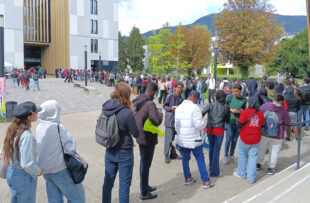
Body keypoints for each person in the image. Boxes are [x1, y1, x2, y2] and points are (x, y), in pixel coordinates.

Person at [36, 100, 86, 203]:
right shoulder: (58, 127)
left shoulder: (39, 127)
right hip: (60, 169)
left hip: (46, 170)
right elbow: (70, 147)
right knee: (77, 197)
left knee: (54, 199)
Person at [101, 82, 140, 203]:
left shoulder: (106, 107)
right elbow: (136, 133)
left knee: (108, 182)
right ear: (126, 94)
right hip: (124, 151)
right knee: (124, 185)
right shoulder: (127, 113)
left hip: (110, 149)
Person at [3, 101, 43, 203]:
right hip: (23, 177)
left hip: (12, 172)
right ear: (29, 116)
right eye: (35, 112)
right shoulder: (26, 136)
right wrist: (38, 171)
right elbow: (26, 164)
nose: (37, 114)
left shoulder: (14, 129)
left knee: (16, 199)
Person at [175, 91, 215, 189]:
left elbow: (176, 125)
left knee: (185, 158)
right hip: (194, 140)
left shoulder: (179, 107)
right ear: (196, 98)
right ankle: (205, 181)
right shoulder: (195, 108)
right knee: (200, 159)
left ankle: (187, 178)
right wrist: (205, 121)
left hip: (182, 139)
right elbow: (199, 125)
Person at [133, 82, 163, 200]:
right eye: (155, 93)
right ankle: (144, 192)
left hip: (140, 136)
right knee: (145, 165)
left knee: (144, 164)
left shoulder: (139, 99)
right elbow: (156, 120)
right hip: (147, 138)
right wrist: (160, 113)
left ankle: (145, 186)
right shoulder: (150, 103)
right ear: (152, 92)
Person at [234, 97, 265, 184]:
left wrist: (237, 122)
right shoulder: (260, 113)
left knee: (242, 155)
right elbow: (263, 124)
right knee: (253, 158)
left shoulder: (245, 112)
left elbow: (239, 124)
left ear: (249, 103)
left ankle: (242, 173)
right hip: (256, 139)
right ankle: (251, 178)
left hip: (245, 138)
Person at [257, 94, 290, 175]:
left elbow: (258, 116)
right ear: (281, 101)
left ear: (273, 99)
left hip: (264, 132)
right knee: (274, 151)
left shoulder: (264, 106)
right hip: (278, 133)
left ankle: (258, 164)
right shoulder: (283, 110)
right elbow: (287, 121)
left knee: (261, 148)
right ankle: (271, 168)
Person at [202, 90, 230, 177]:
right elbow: (228, 120)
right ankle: (214, 172)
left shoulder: (211, 105)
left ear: (216, 97)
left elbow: (202, 113)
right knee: (216, 151)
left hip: (210, 128)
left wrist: (203, 123)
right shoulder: (226, 107)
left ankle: (211, 166)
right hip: (219, 130)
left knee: (211, 148)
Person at [224, 84, 247, 164]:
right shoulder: (229, 97)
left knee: (235, 140)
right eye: (234, 91)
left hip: (238, 123)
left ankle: (232, 155)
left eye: (237, 91)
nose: (235, 93)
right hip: (229, 122)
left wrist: (241, 111)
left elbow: (246, 111)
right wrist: (232, 110)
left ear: (241, 91)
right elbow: (224, 107)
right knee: (228, 138)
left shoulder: (244, 99)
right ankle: (225, 156)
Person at [163, 82, 184, 163]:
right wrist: (170, 109)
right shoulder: (170, 96)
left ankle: (173, 154)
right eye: (178, 87)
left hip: (178, 121)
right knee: (168, 139)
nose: (179, 89)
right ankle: (166, 155)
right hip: (170, 120)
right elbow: (164, 106)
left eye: (181, 88)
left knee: (175, 139)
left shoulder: (181, 98)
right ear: (174, 88)